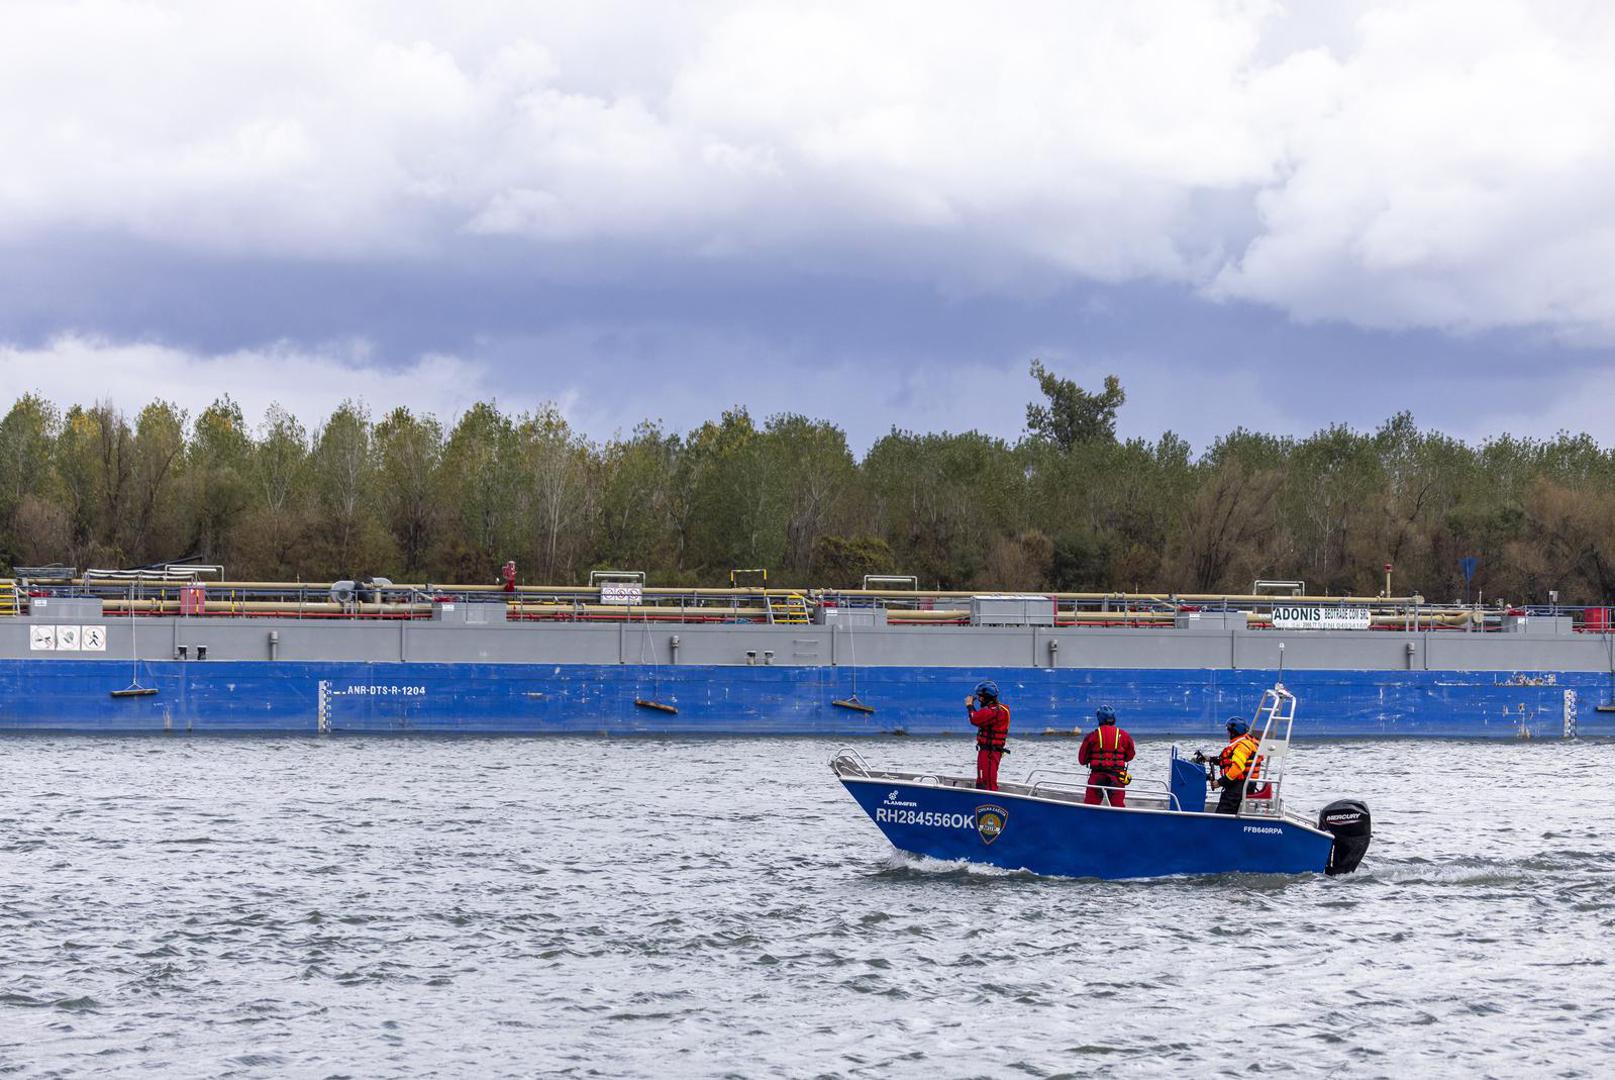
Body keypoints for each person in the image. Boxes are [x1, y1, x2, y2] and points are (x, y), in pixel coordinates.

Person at [1078, 704, 1136, 806]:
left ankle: (1090, 821)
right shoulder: (1124, 735)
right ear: (1113, 719)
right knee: (1117, 806)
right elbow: (1130, 755)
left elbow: (1082, 760)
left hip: (1097, 776)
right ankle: (1118, 821)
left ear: (1099, 718)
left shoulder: (1092, 736)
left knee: (1090, 806)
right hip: (1117, 777)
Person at [965, 680, 1011, 791]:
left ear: (986, 697)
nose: (979, 699)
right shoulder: (1003, 709)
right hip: (988, 751)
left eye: (980, 697)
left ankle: (990, 802)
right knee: (982, 780)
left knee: (987, 781)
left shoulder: (992, 711)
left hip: (989, 752)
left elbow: (975, 719)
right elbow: (980, 718)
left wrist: (970, 705)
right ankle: (980, 799)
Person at [1213, 717, 1262, 815]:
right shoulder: (1243, 743)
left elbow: (1237, 769)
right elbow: (1229, 760)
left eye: (1228, 731)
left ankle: (1220, 828)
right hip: (1241, 784)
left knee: (1224, 812)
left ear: (1233, 732)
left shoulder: (1242, 746)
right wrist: (1211, 760)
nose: (1227, 733)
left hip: (1240, 785)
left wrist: (1220, 782)